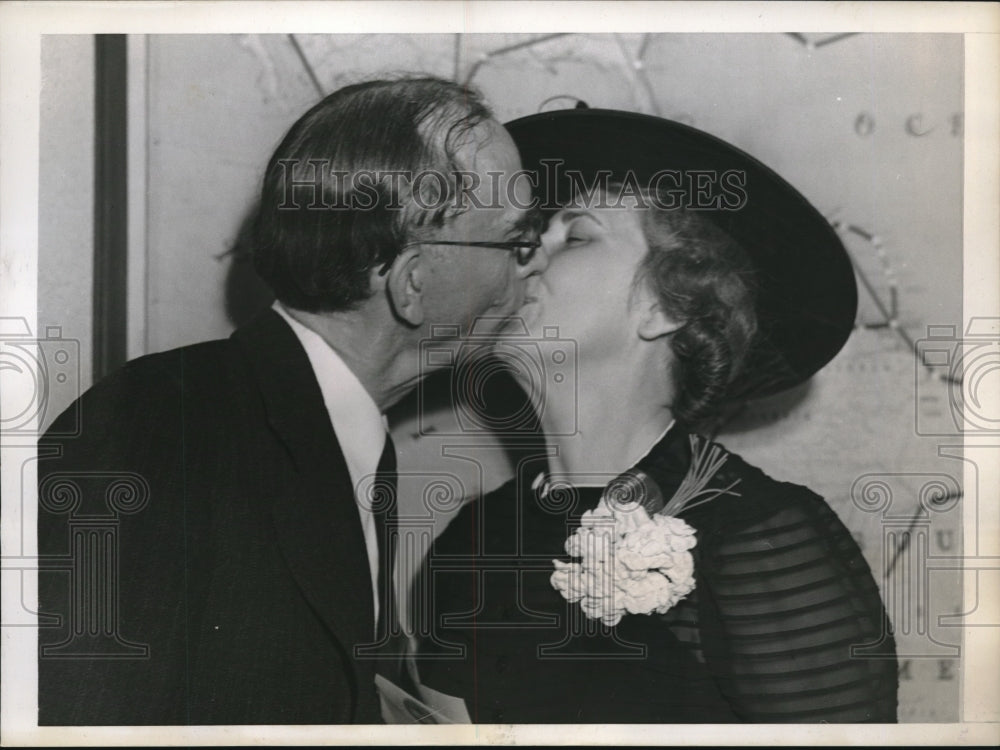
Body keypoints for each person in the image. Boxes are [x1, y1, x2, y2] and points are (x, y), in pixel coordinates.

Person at [36, 76, 547, 725]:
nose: (534, 266)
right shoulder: (162, 421)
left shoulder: (339, 437)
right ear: (413, 284)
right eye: (517, 240)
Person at [414, 108, 898, 723]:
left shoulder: (756, 535)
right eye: (531, 239)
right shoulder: (473, 538)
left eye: (576, 236)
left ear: (666, 306)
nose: (523, 259)